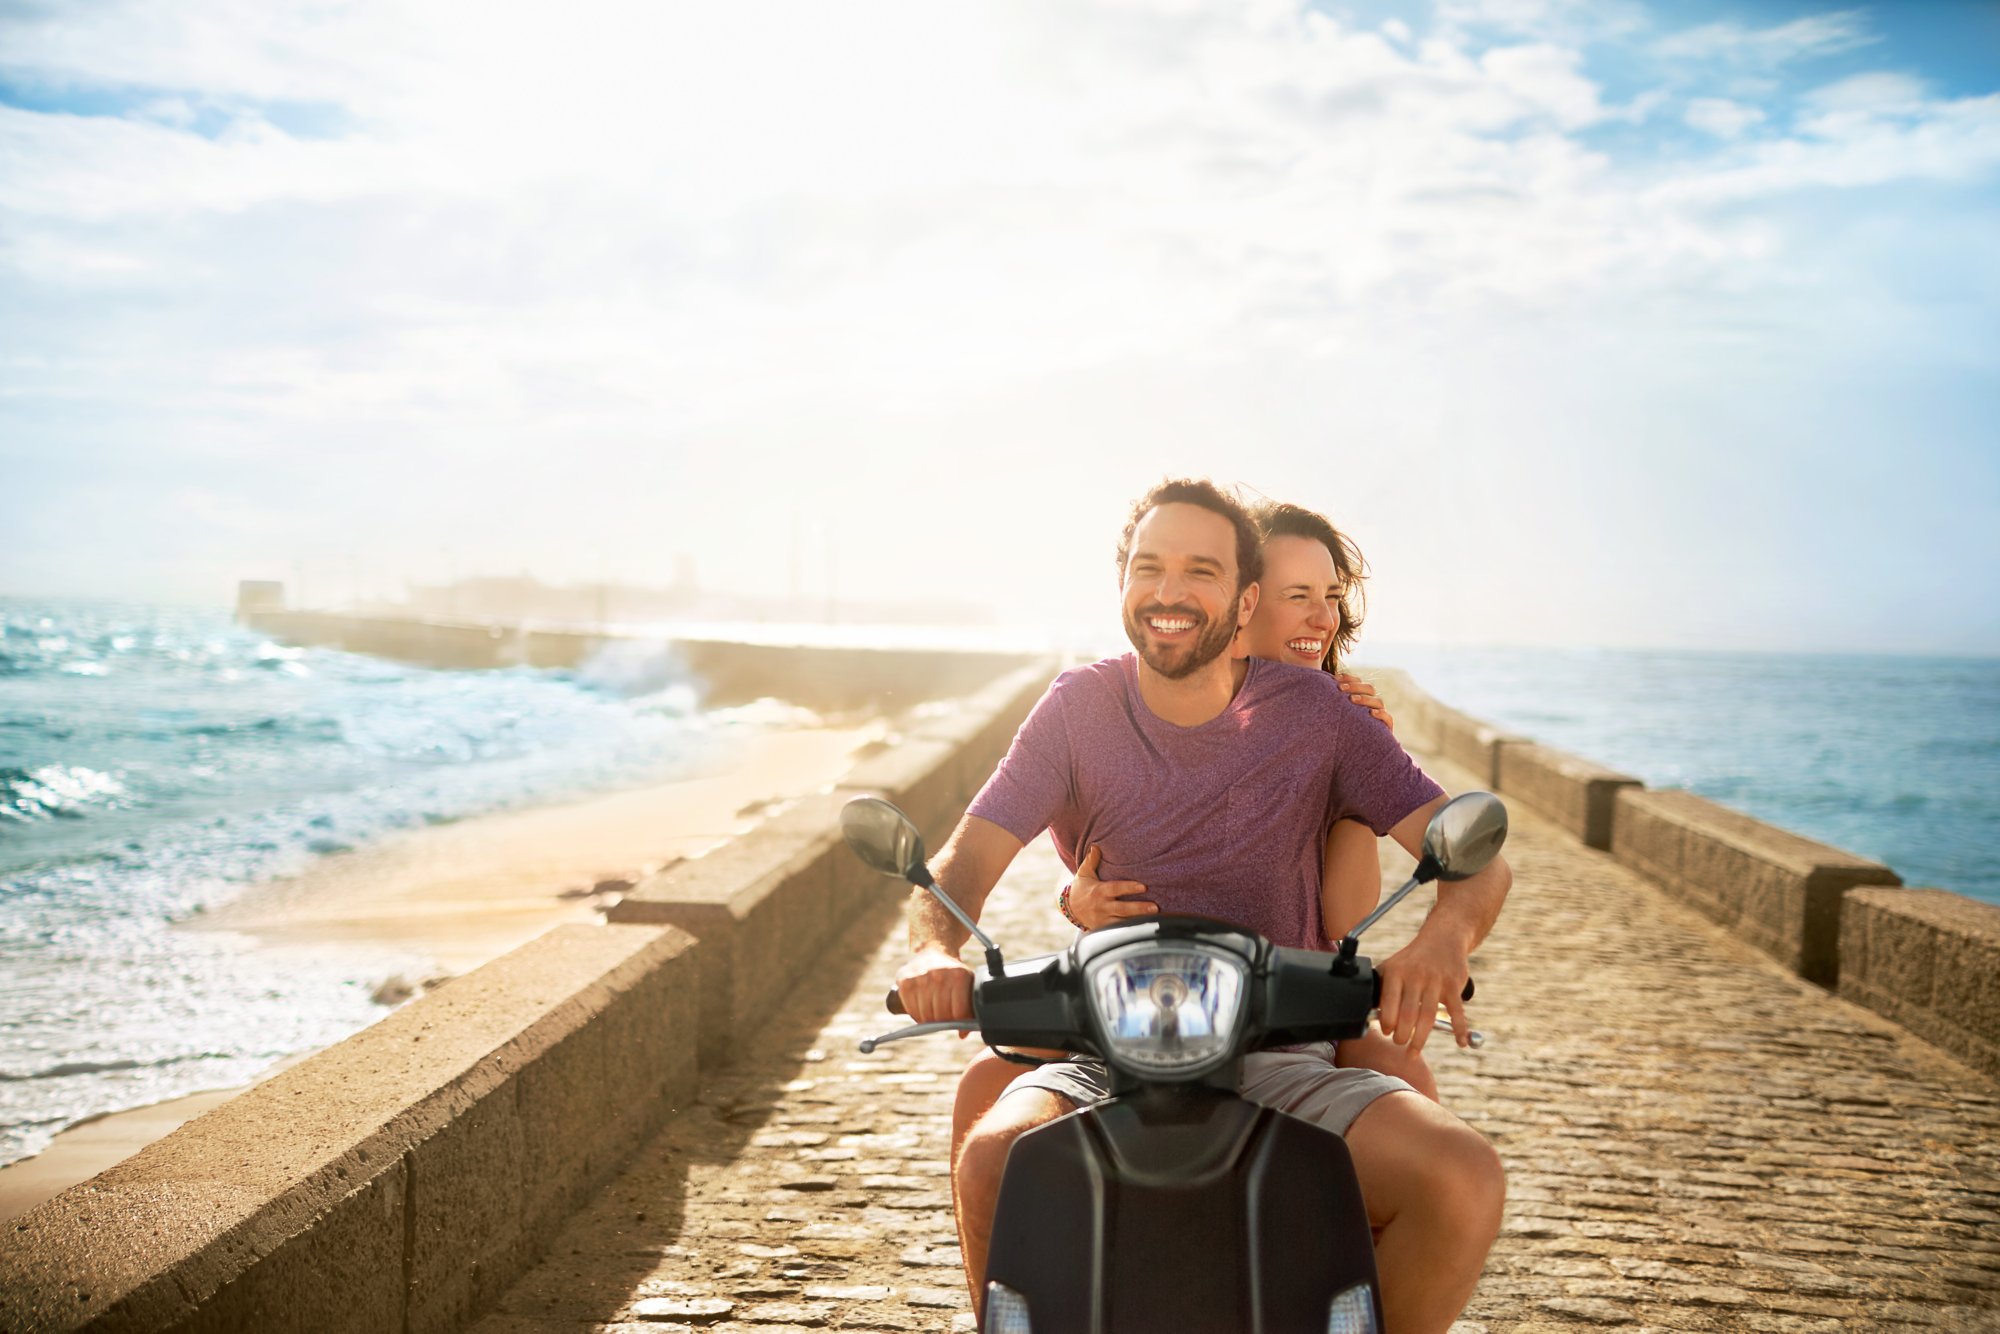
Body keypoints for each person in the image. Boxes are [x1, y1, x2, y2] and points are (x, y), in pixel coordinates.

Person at [896, 479, 1511, 1333]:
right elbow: (963, 863)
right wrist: (935, 950)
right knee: (996, 1153)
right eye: (1149, 568)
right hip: (1107, 1043)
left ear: (1242, 597)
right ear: (1122, 588)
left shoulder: (1321, 714)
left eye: (1201, 571)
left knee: (1462, 1177)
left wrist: (1445, 937)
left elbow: (1474, 856)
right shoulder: (1077, 708)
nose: (1171, 592)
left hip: (1278, 1046)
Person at [946, 498, 1436, 1168]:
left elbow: (1344, 917)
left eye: (1331, 596)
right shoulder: (1103, 707)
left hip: (1291, 1000)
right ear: (1244, 601)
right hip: (1138, 996)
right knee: (985, 1087)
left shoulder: (1335, 718)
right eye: (1298, 596)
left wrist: (1358, 776)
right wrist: (1071, 900)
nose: (1322, 618)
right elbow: (1084, 857)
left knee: (1406, 1078)